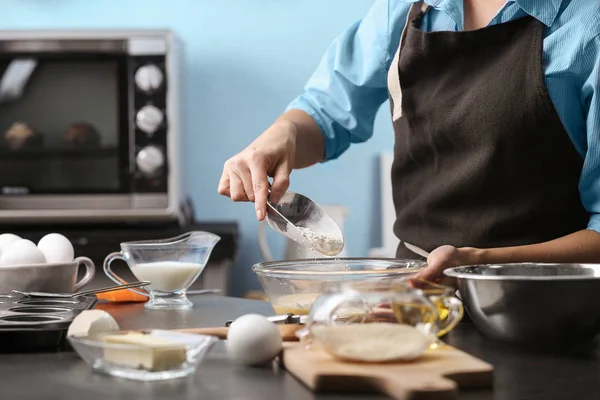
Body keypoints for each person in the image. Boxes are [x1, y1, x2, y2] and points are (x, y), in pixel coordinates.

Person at [218, 0, 600, 283]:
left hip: (547, 312)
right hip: (414, 299)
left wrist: (479, 264)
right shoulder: (406, 9)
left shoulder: (588, 28)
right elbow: (325, 113)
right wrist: (281, 135)